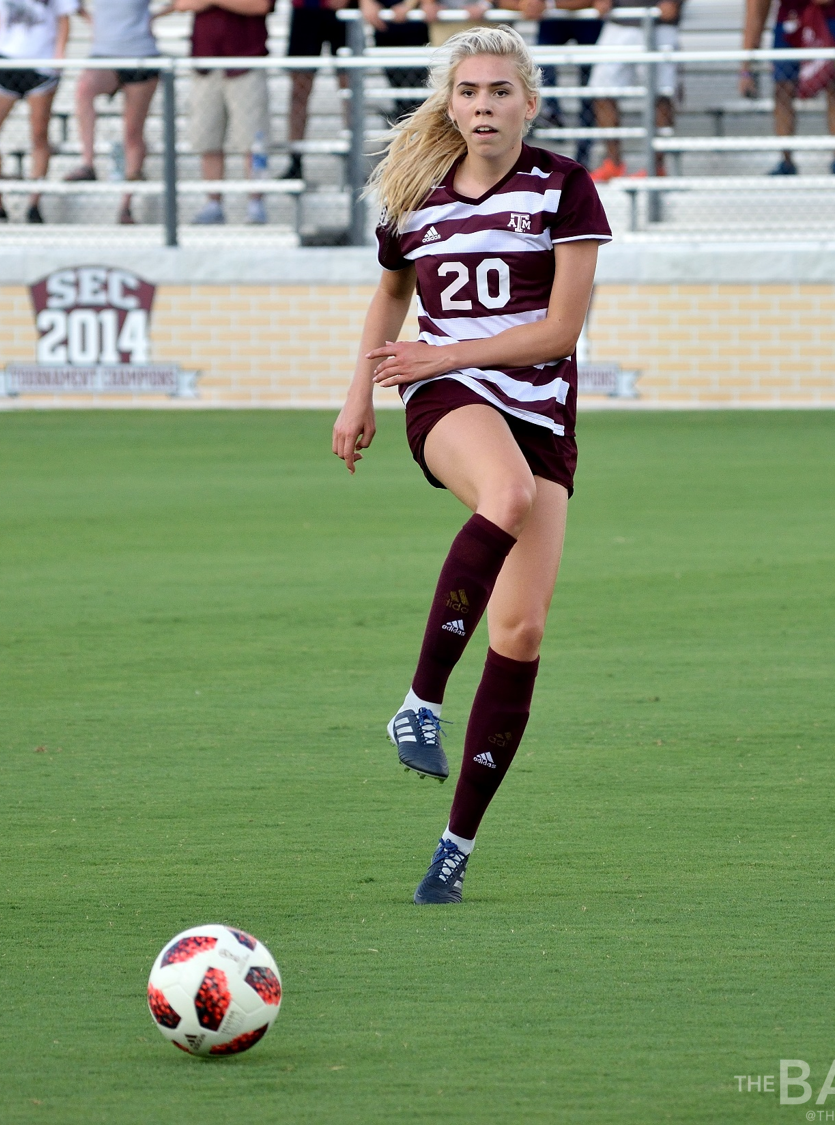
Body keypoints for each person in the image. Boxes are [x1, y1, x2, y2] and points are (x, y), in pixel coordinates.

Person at [331, 24, 610, 905]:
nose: (483, 106)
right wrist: (357, 394)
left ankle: (453, 849)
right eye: (468, 92)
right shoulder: (415, 195)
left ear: (528, 101)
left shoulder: (563, 188)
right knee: (505, 492)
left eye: (498, 91)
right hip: (444, 400)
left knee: (521, 631)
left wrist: (443, 354)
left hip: (537, 415)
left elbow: (561, 332)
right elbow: (391, 295)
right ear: (448, 104)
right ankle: (418, 700)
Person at [0, 0, 77, 224]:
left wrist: (59, 54)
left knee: (39, 135)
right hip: (6, 61)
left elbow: (64, 19)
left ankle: (34, 204)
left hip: (41, 63)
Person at [174, 0, 275, 224]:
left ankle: (256, 204)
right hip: (206, 62)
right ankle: (213, 203)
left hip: (246, 62)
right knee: (208, 138)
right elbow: (181, 4)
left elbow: (260, 5)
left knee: (253, 142)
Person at [63, 0, 160, 225]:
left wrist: (157, 15)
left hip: (140, 55)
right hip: (104, 53)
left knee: (132, 132)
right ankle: (88, 164)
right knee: (84, 89)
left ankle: (126, 206)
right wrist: (90, 20)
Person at [740, 0, 835, 176]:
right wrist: (746, 69)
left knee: (833, 85)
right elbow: (756, 11)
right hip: (789, 21)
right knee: (782, 88)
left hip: (830, 19)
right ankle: (786, 160)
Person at [496, 0, 602, 168]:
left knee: (588, 93)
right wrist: (526, 5)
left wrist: (549, 5)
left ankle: (582, 153)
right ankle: (550, 112)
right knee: (539, 68)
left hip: (584, 21)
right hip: (553, 21)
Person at [588, 0, 681, 180]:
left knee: (662, 93)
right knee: (601, 90)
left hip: (660, 21)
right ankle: (613, 163)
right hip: (619, 19)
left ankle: (657, 166)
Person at [283, 0, 352, 181]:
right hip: (306, 9)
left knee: (350, 89)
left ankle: (354, 158)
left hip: (342, 10)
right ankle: (295, 160)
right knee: (299, 91)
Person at [359, 0, 430, 126]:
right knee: (400, 94)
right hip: (386, 29)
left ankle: (414, 134)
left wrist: (408, 5)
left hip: (415, 28)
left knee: (418, 94)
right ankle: (404, 134)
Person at [420, 0, 489, 49]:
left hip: (478, 22)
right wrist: (428, 3)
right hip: (442, 22)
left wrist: (484, 4)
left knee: (479, 57)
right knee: (442, 61)